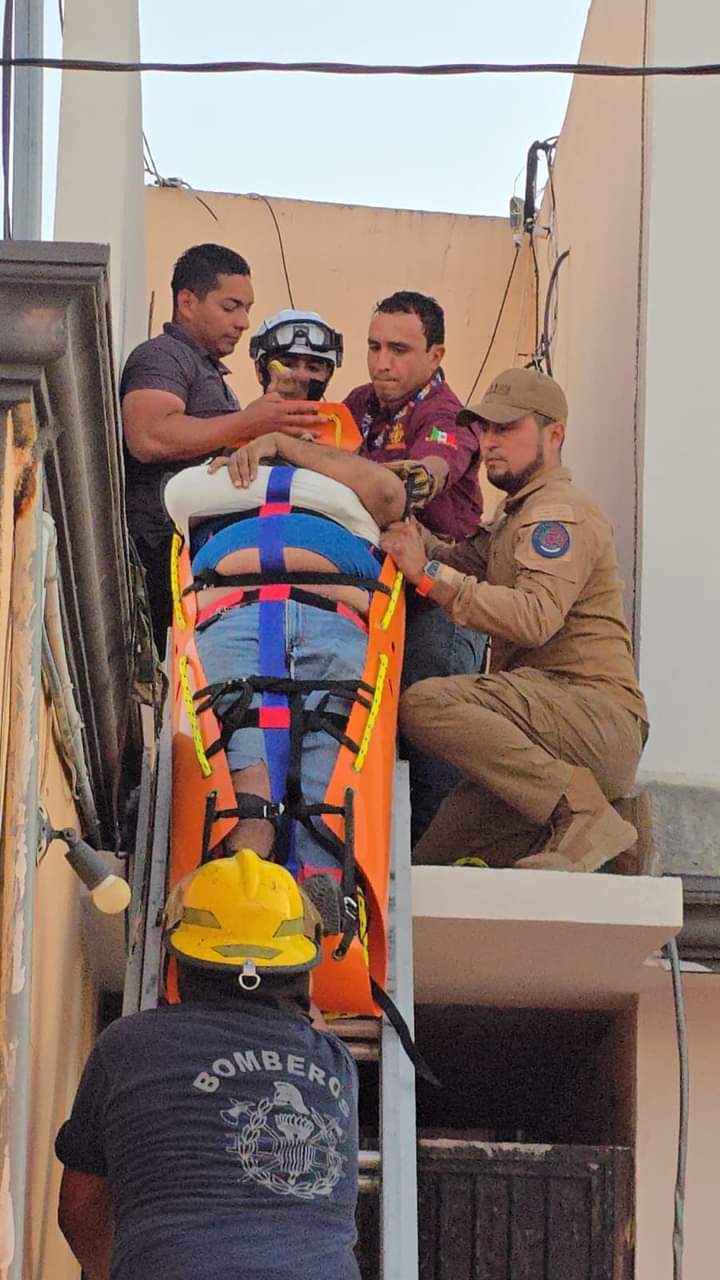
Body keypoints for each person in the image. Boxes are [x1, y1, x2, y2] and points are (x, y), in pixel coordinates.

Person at [380, 367, 649, 872]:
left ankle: (583, 812)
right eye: (484, 429)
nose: (489, 442)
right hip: (535, 730)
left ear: (554, 435)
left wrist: (427, 573)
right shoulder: (517, 515)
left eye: (506, 428)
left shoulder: (558, 514)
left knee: (425, 702)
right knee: (434, 870)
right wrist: (400, 522)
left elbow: (533, 618)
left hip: (589, 718)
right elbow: (460, 561)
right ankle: (610, 850)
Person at [56, 848, 360, 1280]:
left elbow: (80, 1208)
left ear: (179, 961)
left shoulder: (127, 1046)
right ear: (302, 967)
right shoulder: (336, 1065)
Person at [163, 404, 407, 932]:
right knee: (242, 767)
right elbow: (180, 495)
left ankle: (322, 899)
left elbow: (390, 495)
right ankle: (243, 889)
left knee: (327, 772)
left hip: (334, 623)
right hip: (235, 618)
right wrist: (259, 450)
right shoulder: (213, 480)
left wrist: (283, 446)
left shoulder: (355, 486)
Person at [121, 244, 326, 647]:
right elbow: (148, 436)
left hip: (202, 560)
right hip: (161, 553)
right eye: (230, 307)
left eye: (247, 309)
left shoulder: (207, 371)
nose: (243, 322)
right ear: (187, 303)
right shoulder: (162, 356)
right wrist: (248, 423)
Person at [250, 308, 344, 403]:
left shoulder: (342, 413)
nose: (301, 376)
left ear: (328, 375)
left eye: (313, 368)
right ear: (259, 370)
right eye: (287, 364)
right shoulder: (244, 413)